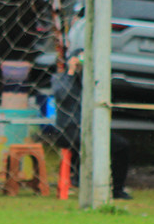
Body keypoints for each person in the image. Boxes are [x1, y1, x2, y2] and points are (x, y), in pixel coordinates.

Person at [51, 51, 132, 199]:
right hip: (68, 131)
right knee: (85, 144)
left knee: (122, 145)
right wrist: (71, 71)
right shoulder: (60, 78)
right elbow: (62, 95)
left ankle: (117, 189)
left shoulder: (89, 80)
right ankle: (78, 179)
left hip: (90, 130)